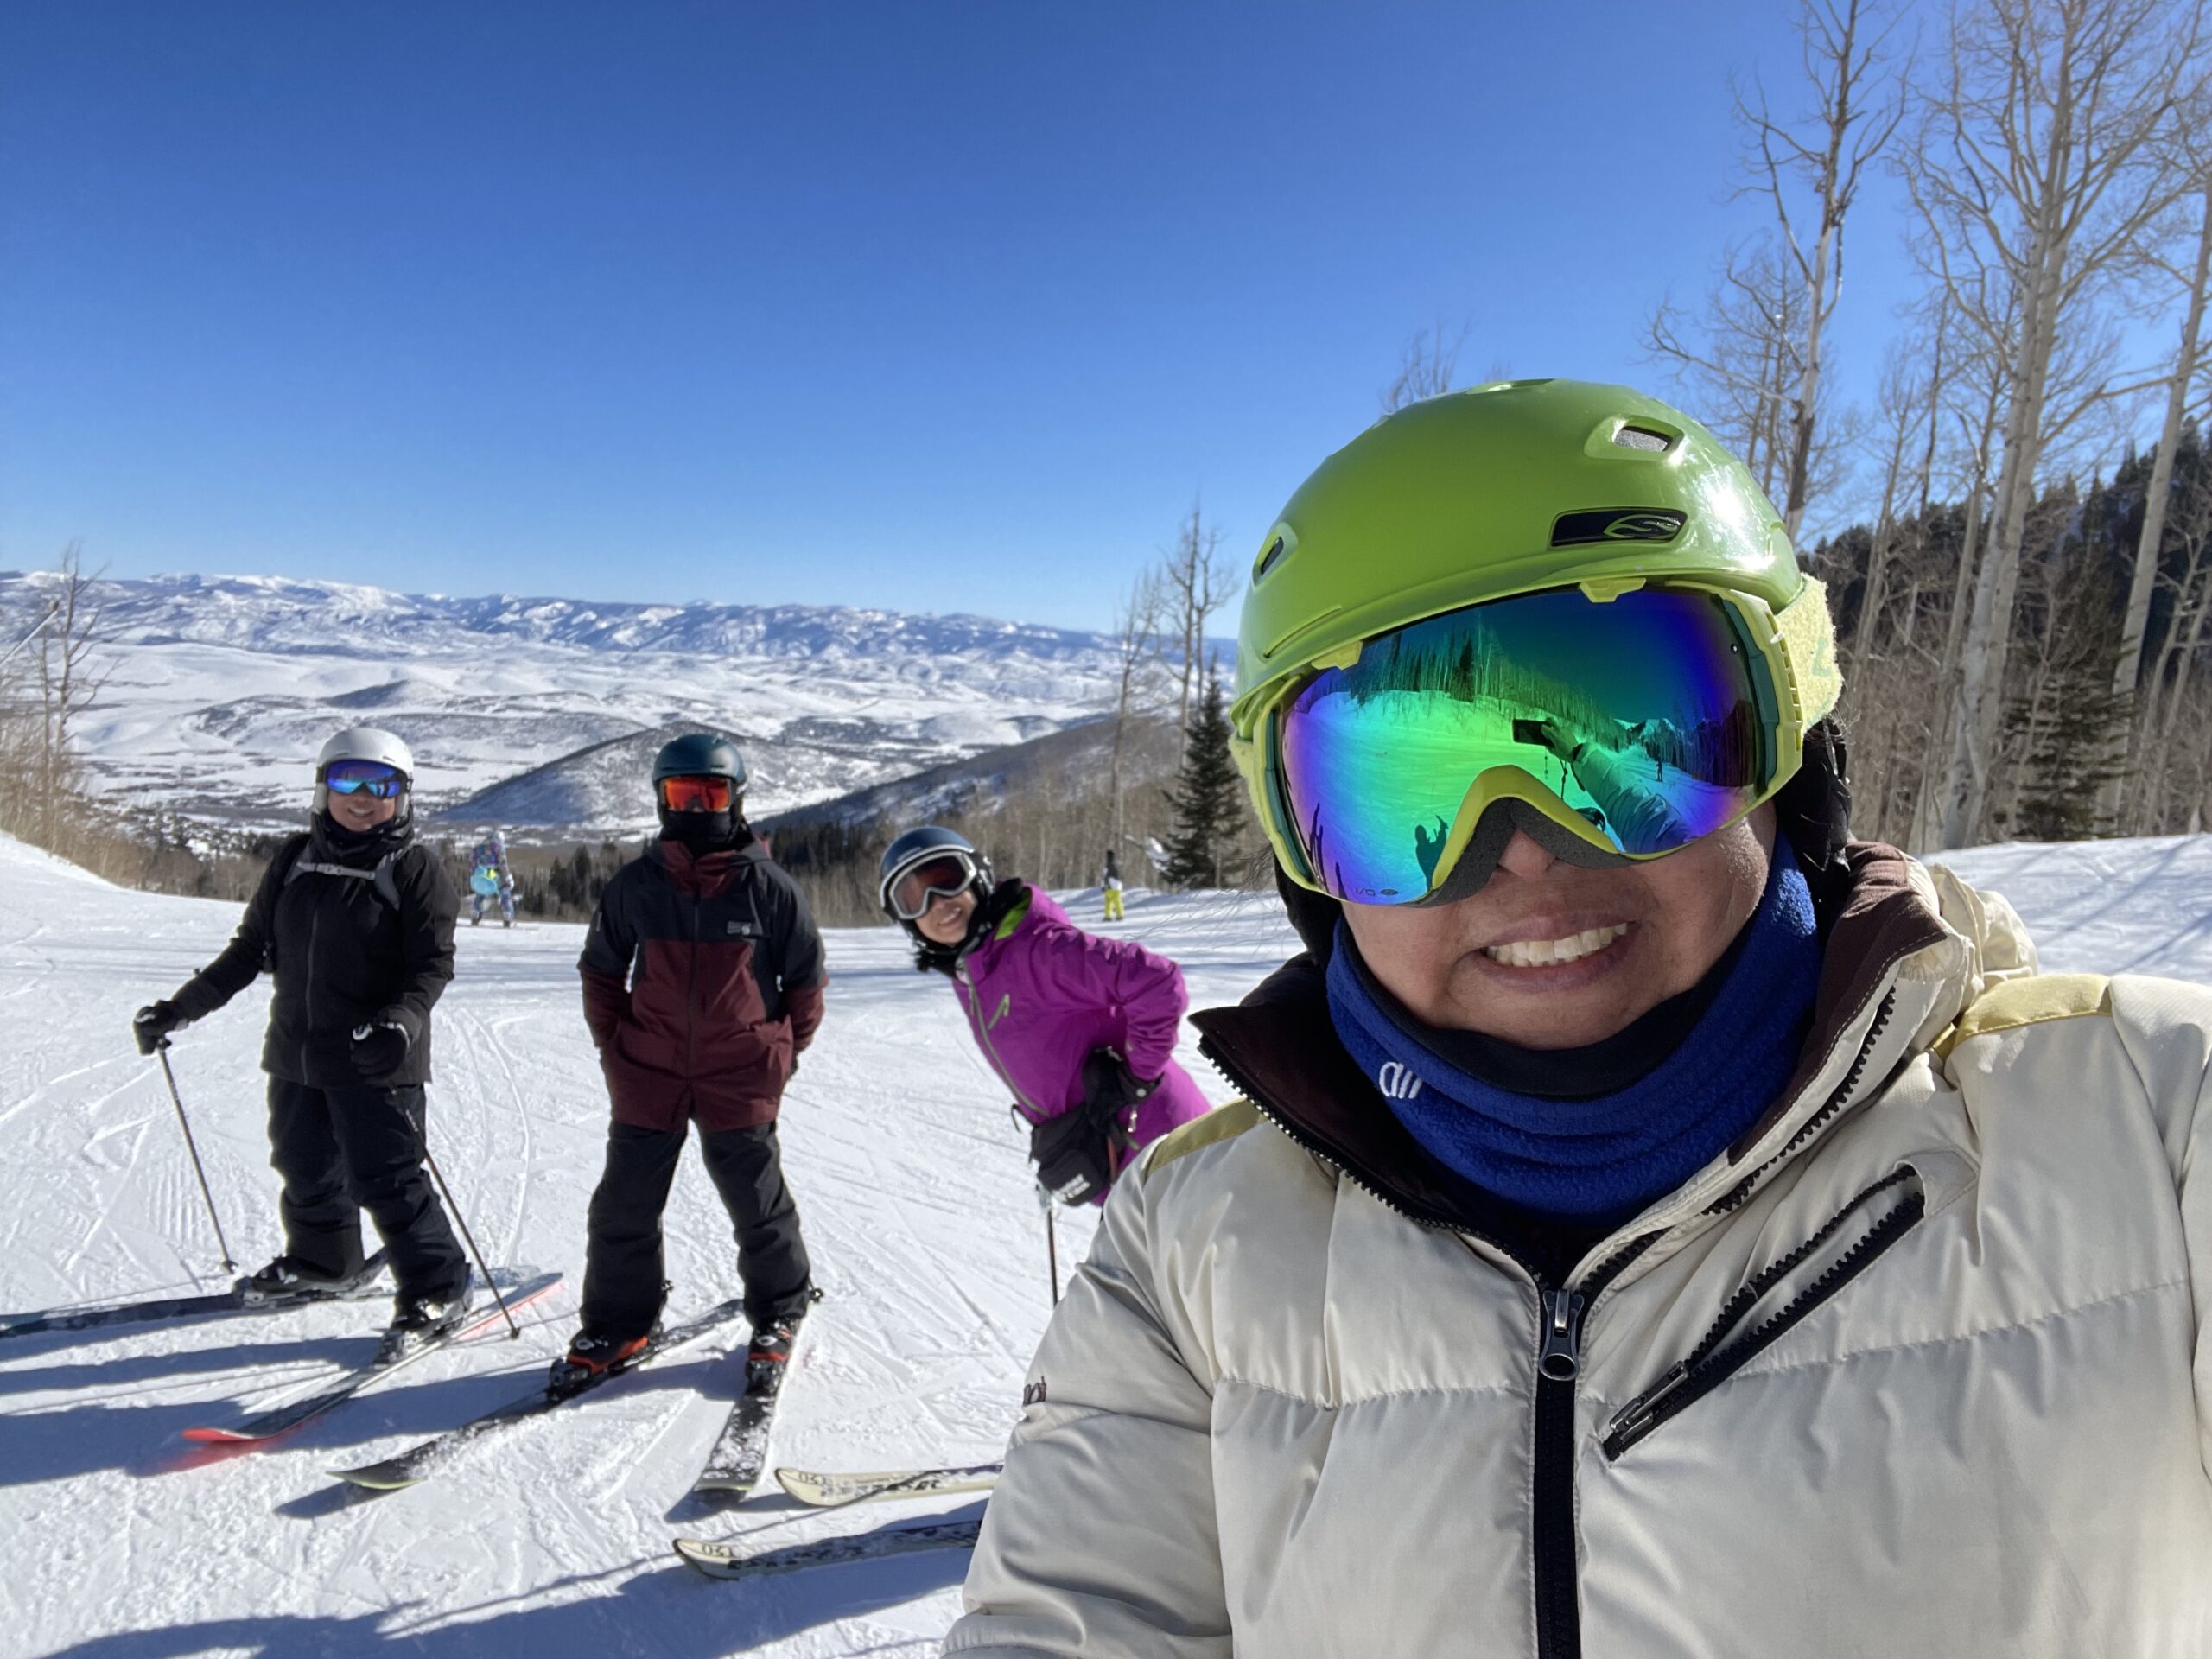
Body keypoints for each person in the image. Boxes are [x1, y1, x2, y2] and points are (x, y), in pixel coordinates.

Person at [945, 381, 2212, 1656]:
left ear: (1790, 758)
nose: (1521, 849)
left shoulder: (2149, 1123)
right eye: (1400, 795)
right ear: (1310, 877)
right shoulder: (1195, 1241)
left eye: (1619, 742)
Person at [131, 727, 472, 1351]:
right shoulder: (295, 859)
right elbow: (249, 950)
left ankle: (439, 1285)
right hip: (297, 1053)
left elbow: (432, 965)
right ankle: (325, 1261)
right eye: (347, 780)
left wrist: (399, 1023)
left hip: (376, 1057)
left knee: (388, 1178)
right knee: (305, 1166)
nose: (363, 798)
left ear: (403, 795)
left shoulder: (413, 868)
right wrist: (180, 1010)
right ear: (323, 787)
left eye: (381, 785)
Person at [556, 733, 824, 1389]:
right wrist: (618, 1048)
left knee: (755, 1202)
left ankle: (780, 1309)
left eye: (712, 793)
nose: (698, 808)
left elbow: (805, 986)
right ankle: (619, 1323)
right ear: (661, 800)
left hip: (739, 1072)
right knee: (624, 1205)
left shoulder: (769, 889)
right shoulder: (637, 886)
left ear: (736, 799)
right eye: (683, 795)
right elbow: (601, 973)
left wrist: (776, 1054)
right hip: (650, 1071)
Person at [878, 826, 1208, 1208]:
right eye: (913, 898)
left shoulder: (1037, 951)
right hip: (1119, 1162)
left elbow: (1156, 980)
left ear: (977, 876)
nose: (936, 903)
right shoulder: (972, 971)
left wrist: (1138, 1077)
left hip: (1169, 1152)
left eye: (947, 880)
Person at [467, 828, 516, 927]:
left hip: (480, 874)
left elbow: (472, 863)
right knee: (505, 891)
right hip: (493, 873)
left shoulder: (478, 848)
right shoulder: (499, 848)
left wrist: (474, 876)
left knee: (481, 893)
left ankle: (475, 915)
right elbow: (503, 865)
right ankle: (508, 916)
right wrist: (508, 878)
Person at [1100, 849, 1125, 923]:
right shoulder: (1115, 866)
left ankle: (1112, 916)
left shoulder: (1109, 866)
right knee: (1114, 902)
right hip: (1114, 887)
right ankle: (1116, 916)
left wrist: (1103, 886)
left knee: (1110, 903)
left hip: (1111, 887)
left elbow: (1104, 877)